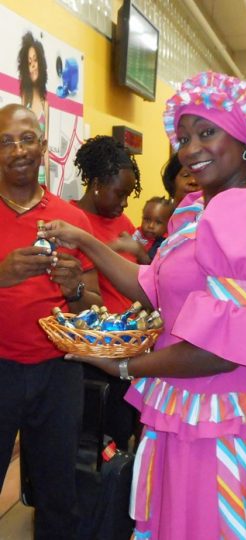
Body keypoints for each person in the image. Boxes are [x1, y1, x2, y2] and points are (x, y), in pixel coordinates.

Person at [43, 71, 246, 540]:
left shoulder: (241, 212)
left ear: (245, 140)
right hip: (191, 403)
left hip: (227, 413)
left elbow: (222, 351)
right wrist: (86, 240)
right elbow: (151, 286)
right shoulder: (199, 208)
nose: (191, 148)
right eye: (183, 137)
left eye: (207, 132)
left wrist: (122, 366)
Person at [0, 104, 101, 540]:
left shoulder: (72, 220)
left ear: (42, 146)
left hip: (59, 372)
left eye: (26, 139)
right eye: (5, 141)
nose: (18, 150)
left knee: (59, 494)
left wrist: (74, 288)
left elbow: (94, 307)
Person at [71, 135, 144, 450]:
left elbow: (141, 276)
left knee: (124, 436)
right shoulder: (72, 222)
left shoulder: (123, 222)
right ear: (97, 184)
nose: (124, 203)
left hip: (129, 347)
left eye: (128, 195)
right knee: (98, 444)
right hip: (95, 353)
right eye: (120, 194)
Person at [18, 31, 49, 188]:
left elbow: (46, 149)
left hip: (40, 173)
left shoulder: (45, 104)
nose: (33, 66)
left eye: (35, 60)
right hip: (25, 172)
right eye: (29, 62)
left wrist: (48, 188)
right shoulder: (25, 100)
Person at [132, 196, 174, 261]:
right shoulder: (139, 232)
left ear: (168, 225)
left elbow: (148, 261)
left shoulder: (163, 243)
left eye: (158, 222)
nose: (151, 226)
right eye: (147, 219)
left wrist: (137, 249)